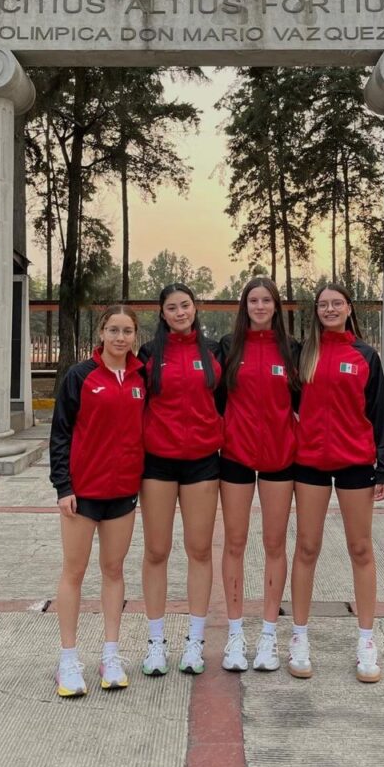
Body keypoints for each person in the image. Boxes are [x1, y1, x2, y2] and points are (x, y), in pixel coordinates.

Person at [290, 283, 384, 683]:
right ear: (315, 311)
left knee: (360, 548)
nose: (330, 309)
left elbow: (379, 412)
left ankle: (366, 641)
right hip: (310, 462)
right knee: (307, 547)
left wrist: (383, 465)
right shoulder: (304, 354)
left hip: (355, 463)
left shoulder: (365, 356)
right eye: (323, 304)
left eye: (337, 303)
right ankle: (299, 637)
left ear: (349, 308)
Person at [49, 305, 145, 697]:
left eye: (127, 331)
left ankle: (111, 655)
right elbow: (60, 433)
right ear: (101, 332)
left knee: (114, 570)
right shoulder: (80, 376)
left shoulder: (141, 377)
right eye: (114, 330)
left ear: (135, 336)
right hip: (83, 493)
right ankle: (68, 659)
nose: (120, 338)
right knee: (74, 571)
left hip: (123, 492)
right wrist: (63, 486)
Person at [138, 283, 222, 676]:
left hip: (202, 463)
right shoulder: (149, 354)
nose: (179, 313)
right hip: (158, 463)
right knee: (156, 551)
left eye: (185, 305)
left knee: (199, 550)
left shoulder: (214, 352)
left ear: (195, 308)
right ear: (162, 314)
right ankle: (156, 643)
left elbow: (224, 401)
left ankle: (195, 642)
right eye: (171, 308)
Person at [218, 277, 300, 672]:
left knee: (274, 544)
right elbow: (216, 400)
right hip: (235, 457)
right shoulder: (229, 347)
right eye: (254, 300)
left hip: (280, 459)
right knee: (234, 543)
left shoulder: (292, 349)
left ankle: (268, 635)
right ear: (245, 306)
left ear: (276, 306)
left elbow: (304, 402)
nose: (260, 306)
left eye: (267, 300)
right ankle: (235, 634)